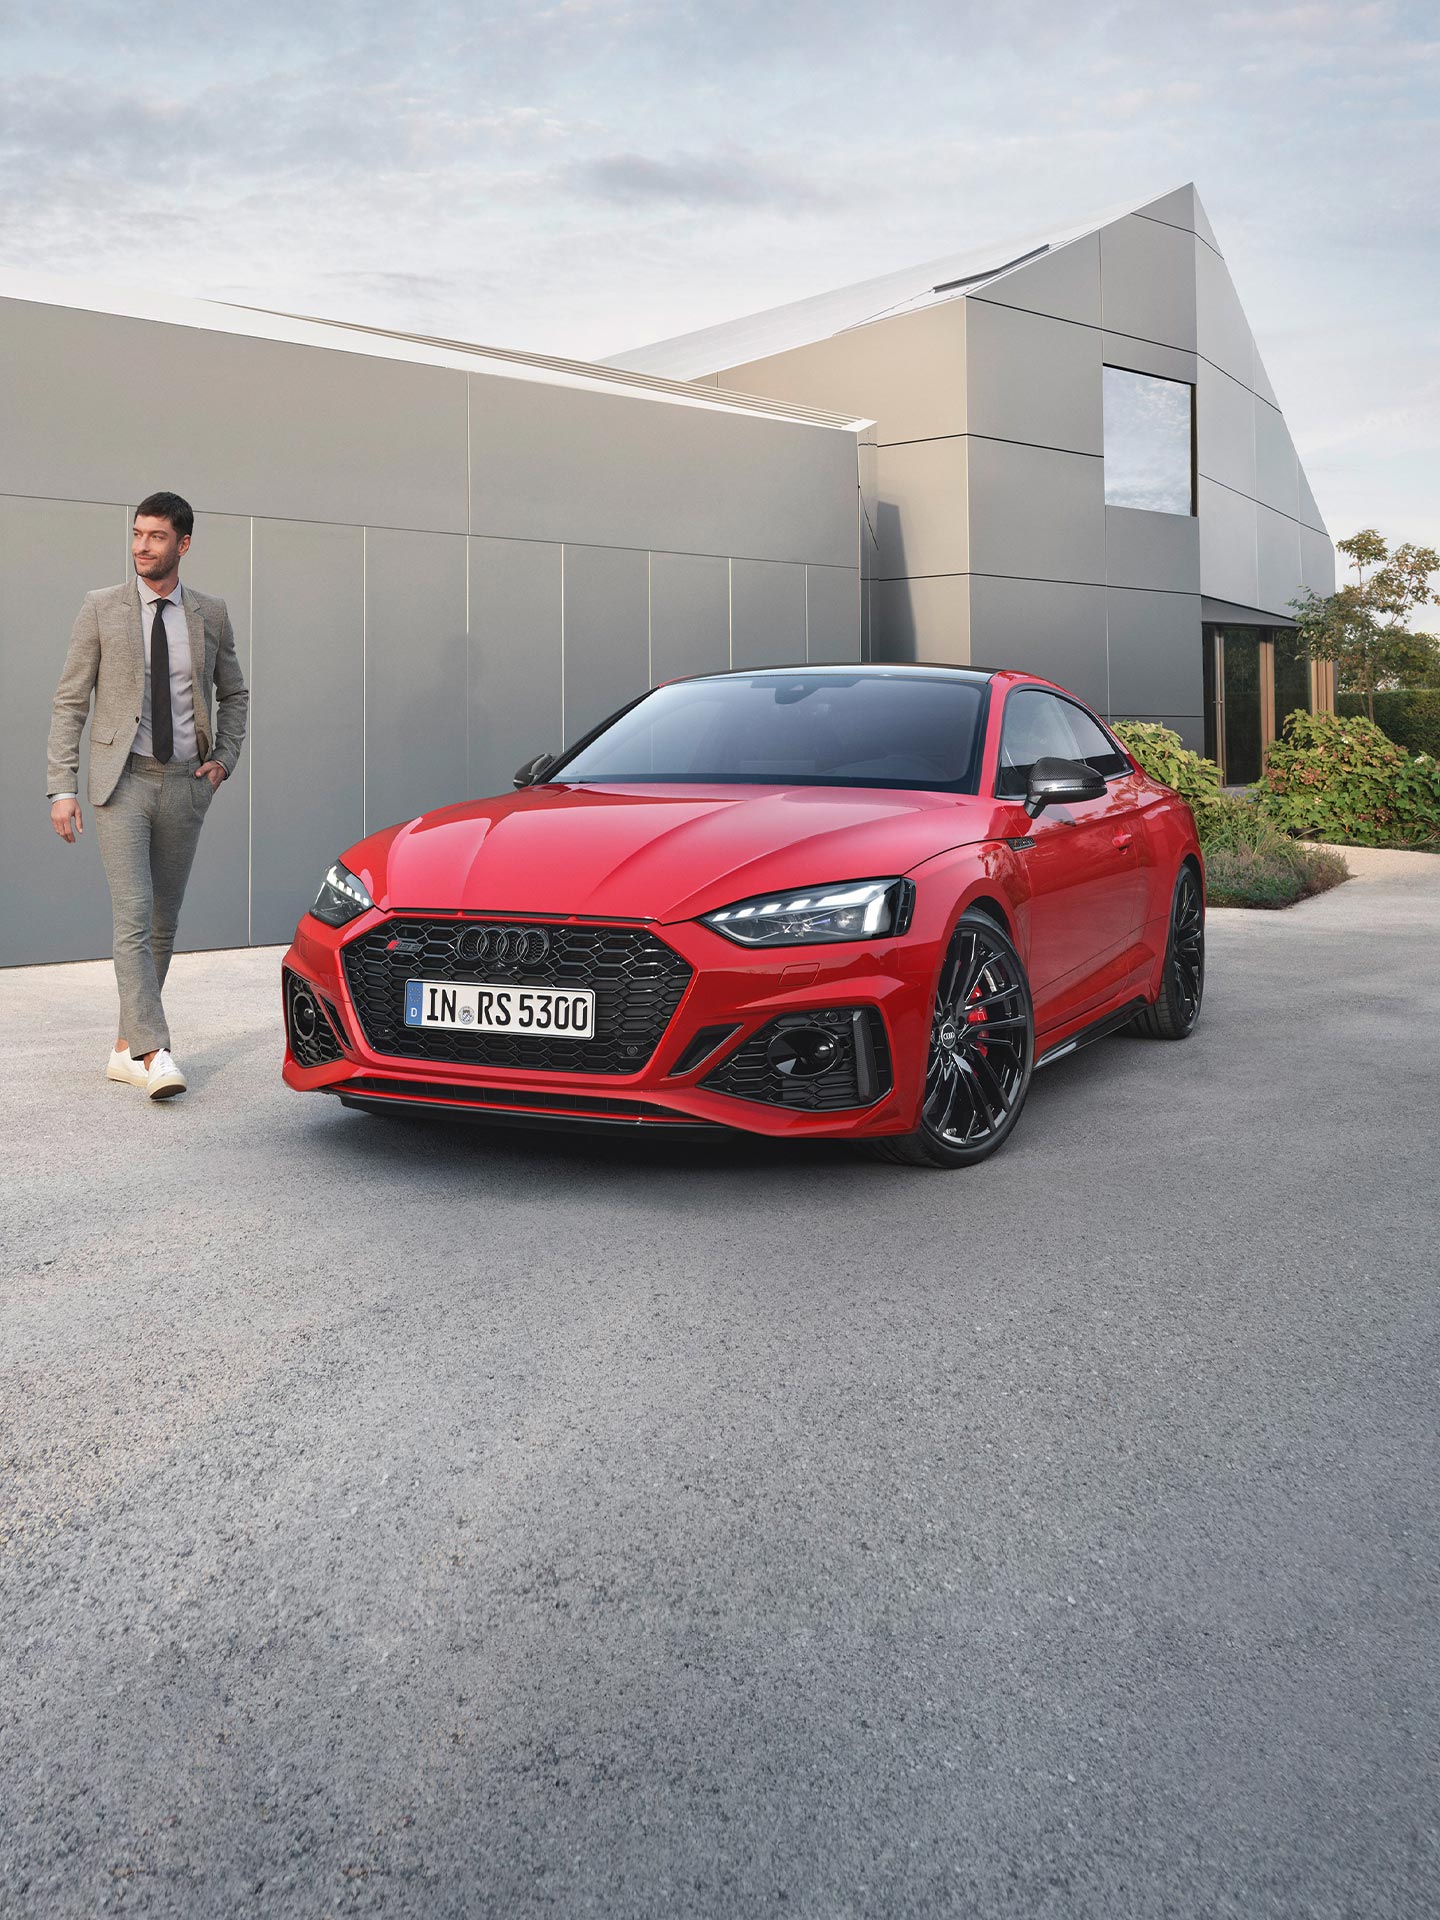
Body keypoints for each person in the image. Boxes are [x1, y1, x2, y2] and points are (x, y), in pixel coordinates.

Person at [47, 491, 249, 1099]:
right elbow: (71, 700)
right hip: (122, 782)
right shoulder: (101, 608)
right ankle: (155, 1051)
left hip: (186, 783)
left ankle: (122, 1048)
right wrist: (61, 787)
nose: (141, 546)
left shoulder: (210, 614)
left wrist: (223, 761)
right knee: (134, 915)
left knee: (164, 921)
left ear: (182, 544)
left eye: (156, 536)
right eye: (136, 534)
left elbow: (234, 694)